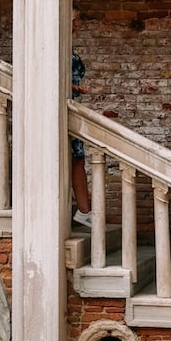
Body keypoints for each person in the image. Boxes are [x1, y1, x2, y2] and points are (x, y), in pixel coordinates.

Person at [70, 22, 93, 228]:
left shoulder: (67, 47)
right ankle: (84, 210)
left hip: (74, 107)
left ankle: (84, 210)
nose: (76, 25)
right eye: (72, 19)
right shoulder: (53, 46)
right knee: (71, 159)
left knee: (78, 158)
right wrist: (70, 86)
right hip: (63, 107)